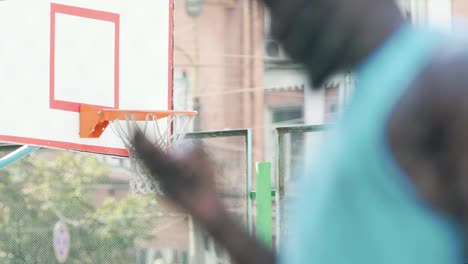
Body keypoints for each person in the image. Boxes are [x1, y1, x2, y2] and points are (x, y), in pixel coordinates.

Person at [133, 0, 468, 263]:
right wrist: (211, 213)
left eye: (277, 5)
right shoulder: (359, 113)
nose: (274, 32)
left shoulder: (446, 79)